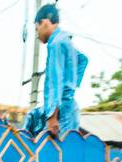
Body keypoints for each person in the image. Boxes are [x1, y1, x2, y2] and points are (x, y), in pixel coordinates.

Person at [25, 4, 87, 137]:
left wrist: (52, 117)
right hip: (69, 109)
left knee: (56, 154)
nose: (37, 34)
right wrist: (71, 85)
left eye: (37, 29)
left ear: (45, 23)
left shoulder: (55, 43)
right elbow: (82, 60)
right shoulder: (65, 40)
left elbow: (55, 80)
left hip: (61, 113)